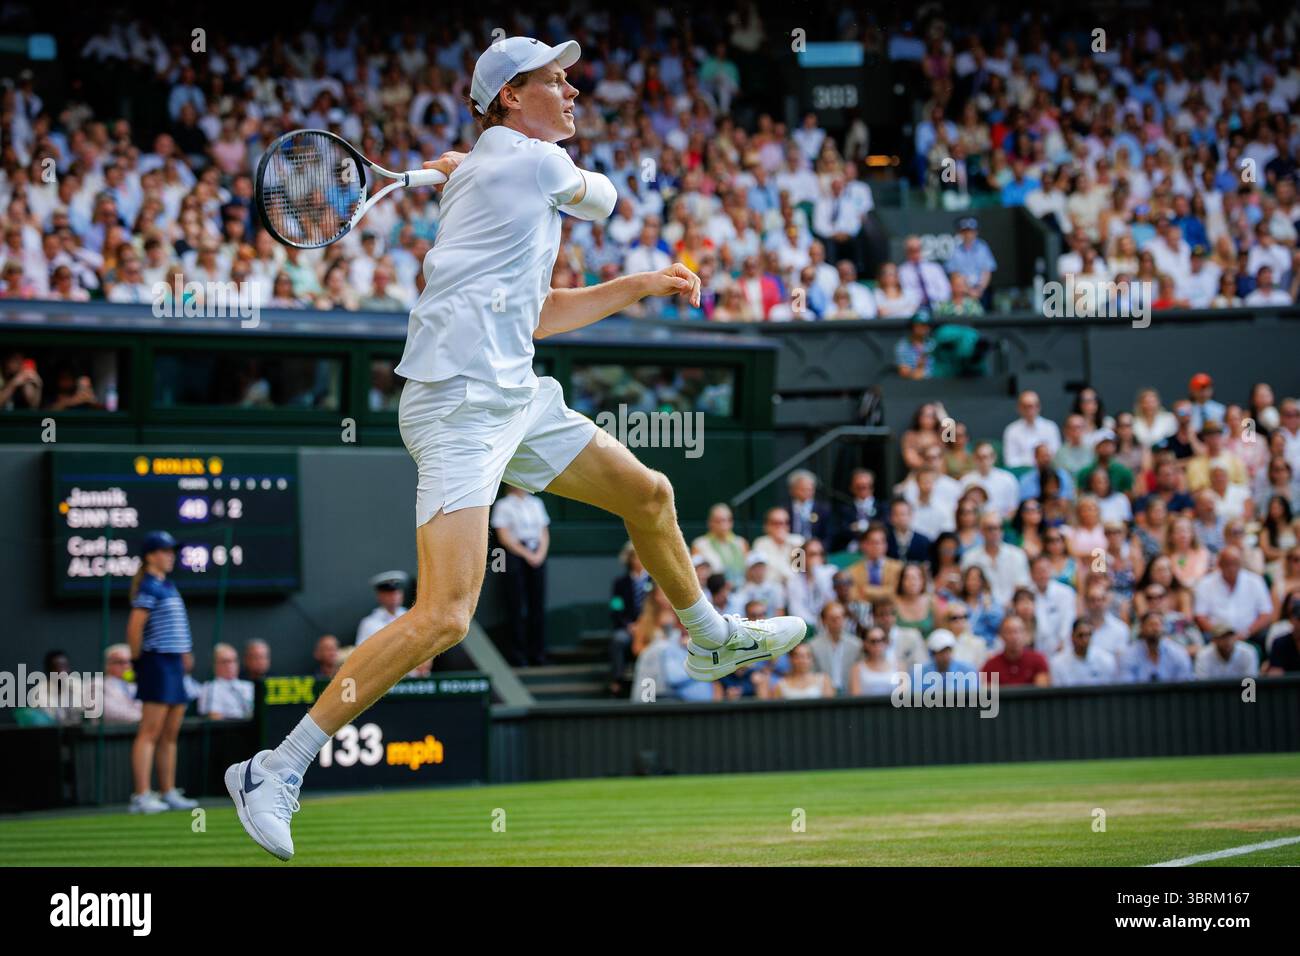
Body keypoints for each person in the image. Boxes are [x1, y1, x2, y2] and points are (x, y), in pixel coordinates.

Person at [225, 37, 807, 860]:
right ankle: (274, 768)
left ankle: (709, 634)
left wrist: (637, 285)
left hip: (513, 394)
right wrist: (495, 161)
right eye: (553, 81)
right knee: (445, 616)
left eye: (569, 78)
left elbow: (535, 317)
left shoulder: (487, 178)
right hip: (458, 405)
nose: (572, 90)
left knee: (650, 495)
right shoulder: (527, 166)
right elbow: (605, 197)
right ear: (508, 99)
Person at [126, 531, 200, 814]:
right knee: (150, 731)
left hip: (174, 666)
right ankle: (142, 795)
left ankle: (168, 791)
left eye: (172, 551)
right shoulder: (149, 587)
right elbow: (134, 627)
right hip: (156, 663)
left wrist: (184, 653)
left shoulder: (166, 585)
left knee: (170, 733)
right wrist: (138, 661)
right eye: (165, 551)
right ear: (150, 556)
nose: (171, 556)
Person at [491, 486, 551, 666]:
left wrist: (539, 554)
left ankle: (538, 653)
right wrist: (526, 554)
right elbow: (503, 537)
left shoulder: (536, 503)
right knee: (515, 605)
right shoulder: (503, 505)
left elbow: (544, 532)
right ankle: (518, 654)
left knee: (537, 606)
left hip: (536, 556)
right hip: (514, 556)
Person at [1119, 611, 1194, 683]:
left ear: (1164, 628)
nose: (1155, 629)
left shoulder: (1178, 653)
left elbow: (1184, 686)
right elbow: (1126, 685)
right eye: (1151, 624)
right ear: (1142, 628)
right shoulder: (1129, 654)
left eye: (1158, 625)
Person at [809, 601, 862, 695]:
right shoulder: (813, 645)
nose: (836, 622)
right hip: (823, 695)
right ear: (824, 620)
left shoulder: (856, 645)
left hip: (850, 694)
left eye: (839, 618)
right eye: (832, 619)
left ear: (844, 619)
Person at [981, 616, 1050, 686]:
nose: (1014, 636)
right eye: (1009, 632)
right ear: (1001, 635)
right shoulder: (991, 665)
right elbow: (990, 695)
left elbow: (1042, 693)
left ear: (1025, 634)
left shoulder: (1037, 660)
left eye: (1018, 631)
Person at [1001, 390, 1062, 468]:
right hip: (1021, 474)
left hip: (1047, 471)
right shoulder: (1011, 430)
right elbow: (1010, 461)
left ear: (1039, 407)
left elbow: (1056, 455)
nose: (1029, 410)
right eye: (1025, 406)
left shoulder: (1050, 427)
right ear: (1019, 408)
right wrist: (1036, 461)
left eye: (1032, 406)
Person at [1049, 621, 1117, 687]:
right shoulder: (1058, 663)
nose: (1085, 640)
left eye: (1088, 635)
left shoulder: (1106, 660)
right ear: (1072, 637)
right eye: (1080, 635)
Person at [199, 643, 255, 720]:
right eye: (225, 661)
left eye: (234, 661)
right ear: (215, 665)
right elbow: (214, 718)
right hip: (230, 730)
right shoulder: (209, 688)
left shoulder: (249, 686)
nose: (231, 665)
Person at [355, 570, 410, 646]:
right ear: (379, 597)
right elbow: (360, 652)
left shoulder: (411, 616)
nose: (394, 597)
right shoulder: (368, 624)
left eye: (396, 593)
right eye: (389, 594)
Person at [849, 625, 906, 696]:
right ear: (865, 644)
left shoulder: (899, 667)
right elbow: (856, 697)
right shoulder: (857, 669)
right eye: (873, 641)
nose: (878, 644)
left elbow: (904, 697)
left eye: (882, 640)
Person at [1194, 625, 1259, 680]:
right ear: (1214, 640)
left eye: (1230, 636)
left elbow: (1250, 683)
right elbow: (1203, 684)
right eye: (1223, 637)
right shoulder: (1203, 654)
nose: (1228, 641)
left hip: (1242, 693)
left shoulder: (1248, 652)